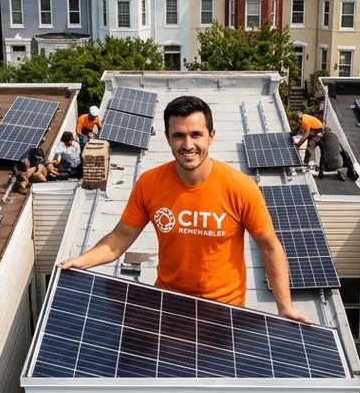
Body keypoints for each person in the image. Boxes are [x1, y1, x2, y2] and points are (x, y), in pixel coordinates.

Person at [59, 95, 310, 323]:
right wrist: (81, 261)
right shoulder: (149, 184)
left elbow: (270, 246)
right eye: (178, 135)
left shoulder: (241, 188)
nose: (187, 144)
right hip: (169, 307)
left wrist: (284, 306)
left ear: (211, 136)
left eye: (196, 134)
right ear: (168, 138)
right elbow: (119, 238)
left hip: (224, 312)